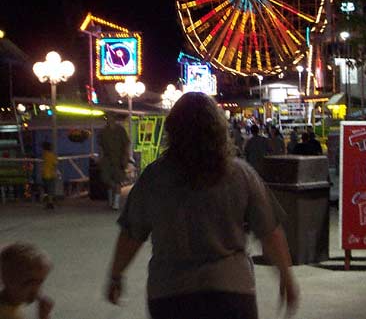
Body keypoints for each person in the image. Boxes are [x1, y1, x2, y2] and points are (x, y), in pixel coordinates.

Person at [105, 92, 299, 319]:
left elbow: (131, 234)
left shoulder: (154, 177)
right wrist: (286, 277)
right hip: (231, 291)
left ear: (172, 130)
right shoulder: (241, 174)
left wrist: (116, 276)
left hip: (171, 294)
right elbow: (270, 231)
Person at [0, 242, 54, 319]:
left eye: (40, 282)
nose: (35, 288)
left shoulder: (11, 306)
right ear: (6, 280)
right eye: (29, 282)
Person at [98, 112, 130, 210]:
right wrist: (100, 158)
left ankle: (115, 203)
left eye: (110, 117)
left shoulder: (120, 130)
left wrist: (126, 157)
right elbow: (101, 146)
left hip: (118, 158)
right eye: (107, 117)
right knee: (105, 178)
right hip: (107, 159)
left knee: (118, 180)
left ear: (114, 119)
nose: (108, 119)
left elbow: (126, 144)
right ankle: (112, 198)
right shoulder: (103, 131)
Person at [41, 142, 57, 210]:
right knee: (51, 190)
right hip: (52, 174)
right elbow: (55, 163)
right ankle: (50, 203)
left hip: (45, 174)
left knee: (47, 190)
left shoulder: (44, 155)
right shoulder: (52, 155)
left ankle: (48, 203)